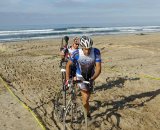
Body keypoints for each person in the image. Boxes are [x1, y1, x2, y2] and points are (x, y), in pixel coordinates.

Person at [65, 35, 101, 119]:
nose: (87, 51)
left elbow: (99, 69)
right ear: (82, 47)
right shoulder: (76, 53)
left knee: (86, 99)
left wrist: (92, 79)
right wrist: (67, 79)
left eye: (89, 48)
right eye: (85, 49)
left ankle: (87, 112)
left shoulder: (96, 52)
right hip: (80, 76)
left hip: (90, 77)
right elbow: (68, 66)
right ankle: (87, 115)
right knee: (85, 99)